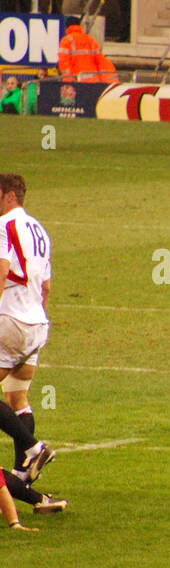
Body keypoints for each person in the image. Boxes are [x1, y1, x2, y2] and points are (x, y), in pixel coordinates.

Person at [0, 175, 56, 486]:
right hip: (37, 323)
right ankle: (22, 478)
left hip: (11, 319)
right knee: (17, 398)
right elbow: (47, 286)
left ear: (7, 195)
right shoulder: (40, 230)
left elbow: (2, 270)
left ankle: (34, 449)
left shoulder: (4, 225)